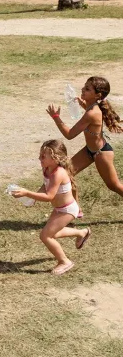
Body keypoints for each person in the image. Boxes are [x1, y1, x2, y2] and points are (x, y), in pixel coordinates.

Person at [12, 140, 91, 275]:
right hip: (60, 209)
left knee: (45, 236)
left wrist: (27, 193)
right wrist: (33, 197)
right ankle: (82, 233)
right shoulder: (47, 169)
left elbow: (49, 196)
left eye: (43, 156)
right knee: (52, 233)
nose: (39, 158)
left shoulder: (58, 173)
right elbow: (45, 185)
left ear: (56, 158)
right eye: (40, 154)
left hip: (68, 210)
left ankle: (64, 261)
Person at [47, 76, 123, 212]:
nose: (83, 89)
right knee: (66, 173)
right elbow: (89, 110)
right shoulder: (92, 106)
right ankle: (74, 211)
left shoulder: (93, 113)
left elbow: (69, 135)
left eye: (87, 89)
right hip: (89, 151)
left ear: (98, 95)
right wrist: (82, 104)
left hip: (101, 154)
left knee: (114, 185)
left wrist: (56, 118)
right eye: (84, 86)